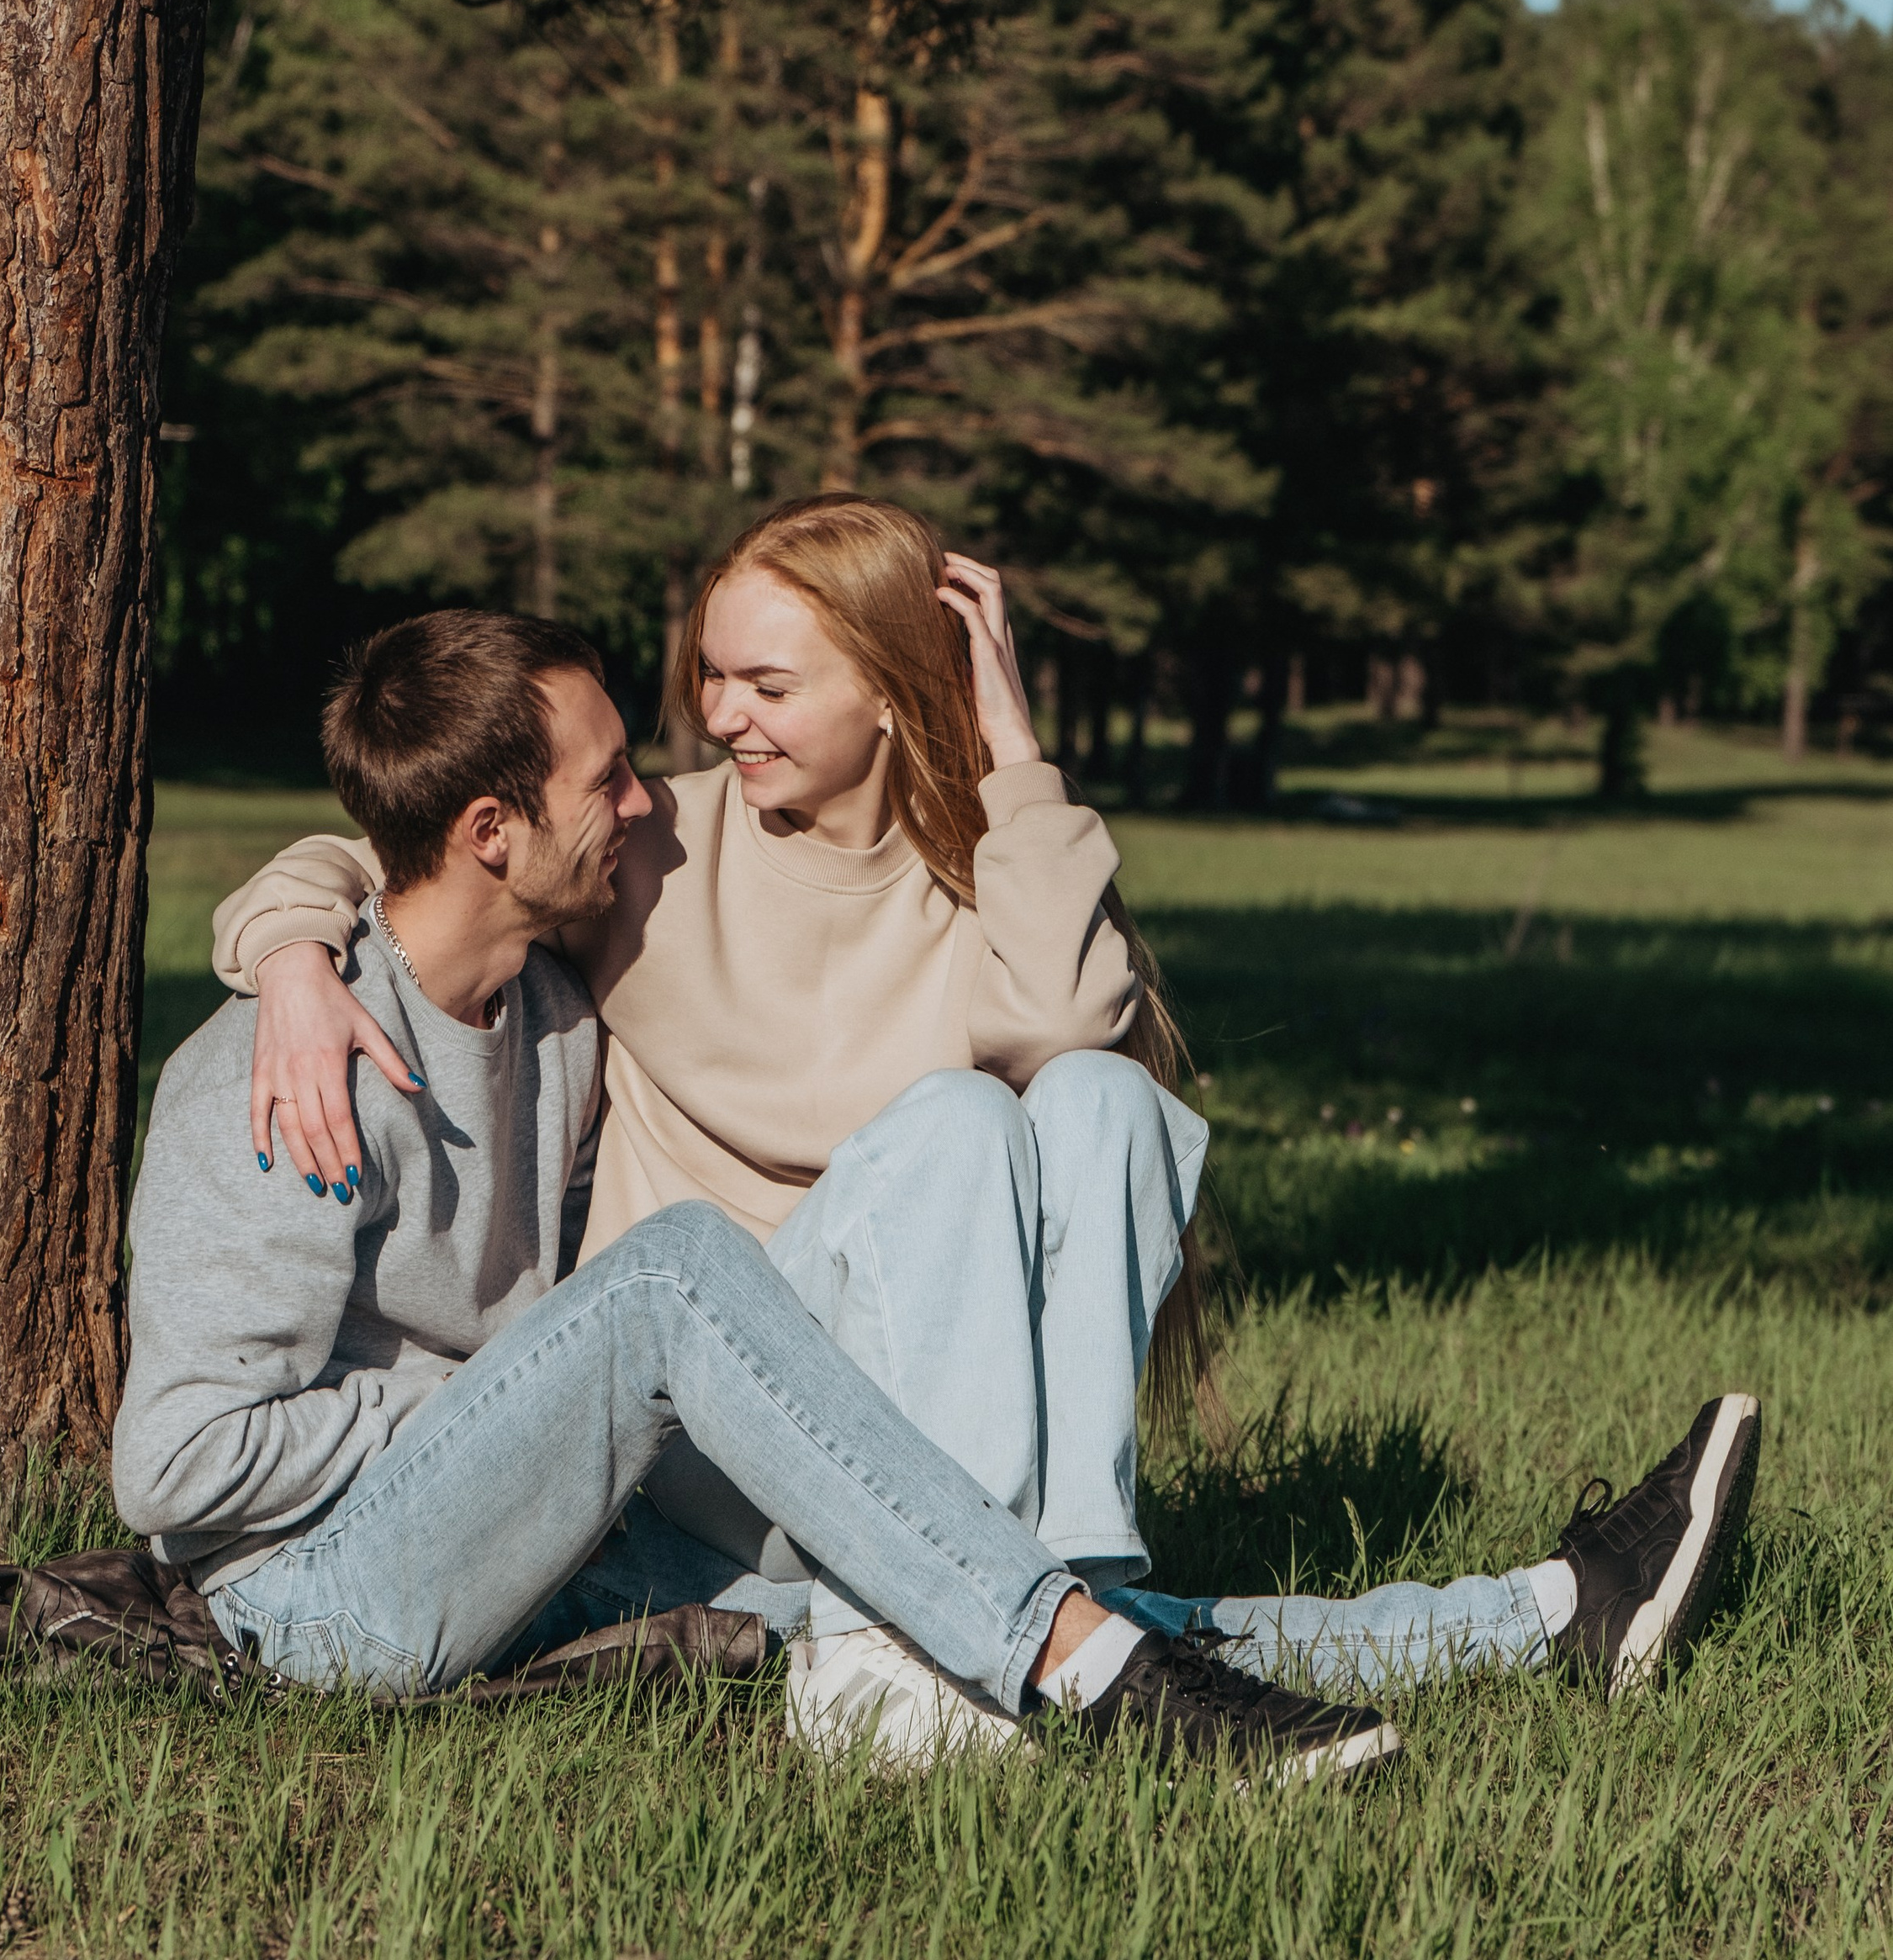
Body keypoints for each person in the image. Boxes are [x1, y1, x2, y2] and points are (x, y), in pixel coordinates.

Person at [208, 506, 1763, 1761]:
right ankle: (1048, 1628)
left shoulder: (983, 880)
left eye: (768, 684)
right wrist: (286, 958)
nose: (720, 717)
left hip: (921, 1441)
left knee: (1092, 1093)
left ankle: (1475, 1611)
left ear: (893, 691)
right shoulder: (643, 842)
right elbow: (415, 846)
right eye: (713, 677)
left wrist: (1013, 749)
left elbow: (1077, 1026)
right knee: (956, 1119)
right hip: (703, 1412)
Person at [119, 605, 1404, 1789]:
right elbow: (175, 1468)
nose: (643, 800)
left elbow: (378, 853)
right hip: (323, 1601)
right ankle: (1095, 1670)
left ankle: (1509, 1619)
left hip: (552, 1537)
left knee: (901, 1578)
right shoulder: (281, 1074)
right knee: (674, 1273)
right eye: (607, 777)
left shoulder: (555, 1019)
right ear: (493, 835)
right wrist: (493, 1400)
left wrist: (541, 1422)